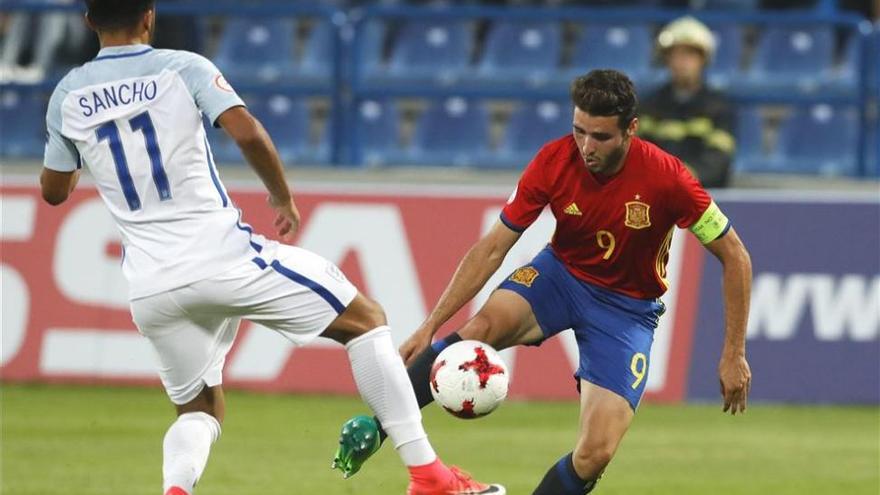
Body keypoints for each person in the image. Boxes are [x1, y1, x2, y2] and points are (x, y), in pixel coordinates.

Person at [40, 2, 504, 494]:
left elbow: (54, 190)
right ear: (150, 16)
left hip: (152, 285)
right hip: (223, 257)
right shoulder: (183, 67)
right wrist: (281, 195)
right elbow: (246, 130)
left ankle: (176, 490)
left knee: (198, 409)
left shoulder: (68, 94)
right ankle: (430, 478)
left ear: (89, 21)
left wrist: (75, 158)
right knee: (365, 321)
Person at [333, 69, 753, 494]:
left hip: (627, 310)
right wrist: (430, 325)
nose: (586, 147)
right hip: (560, 276)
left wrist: (733, 352)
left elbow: (735, 255)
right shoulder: (554, 161)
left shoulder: (669, 178)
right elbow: (493, 247)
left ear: (631, 129)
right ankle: (378, 427)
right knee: (479, 330)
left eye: (601, 137)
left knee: (596, 453)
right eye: (579, 131)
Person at [638, 16, 736, 188]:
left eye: (689, 54)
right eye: (675, 55)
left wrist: (683, 177)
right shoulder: (649, 106)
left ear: (703, 59)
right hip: (656, 197)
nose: (682, 62)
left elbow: (719, 161)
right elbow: (638, 154)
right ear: (666, 60)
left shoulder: (720, 108)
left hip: (706, 202)